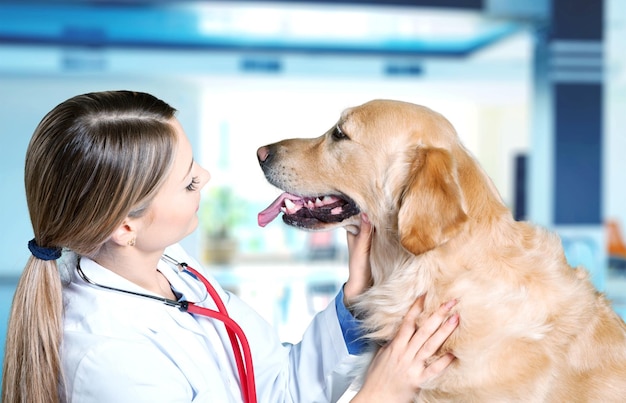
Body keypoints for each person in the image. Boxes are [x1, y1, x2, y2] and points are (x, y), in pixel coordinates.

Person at [1, 90, 459, 403]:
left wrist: (354, 303)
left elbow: (276, 387)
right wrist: (379, 395)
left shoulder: (175, 270)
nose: (206, 177)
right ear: (125, 227)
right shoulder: (108, 359)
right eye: (187, 181)